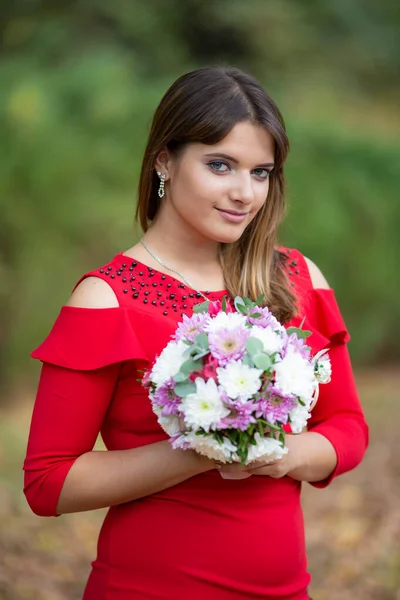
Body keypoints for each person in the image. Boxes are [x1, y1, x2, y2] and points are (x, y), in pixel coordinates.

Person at [23, 66, 368, 600]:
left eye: (261, 172)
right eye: (220, 165)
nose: (244, 193)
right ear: (165, 159)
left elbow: (347, 426)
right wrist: (202, 448)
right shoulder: (106, 299)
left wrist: (283, 454)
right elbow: (48, 482)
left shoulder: (297, 279)